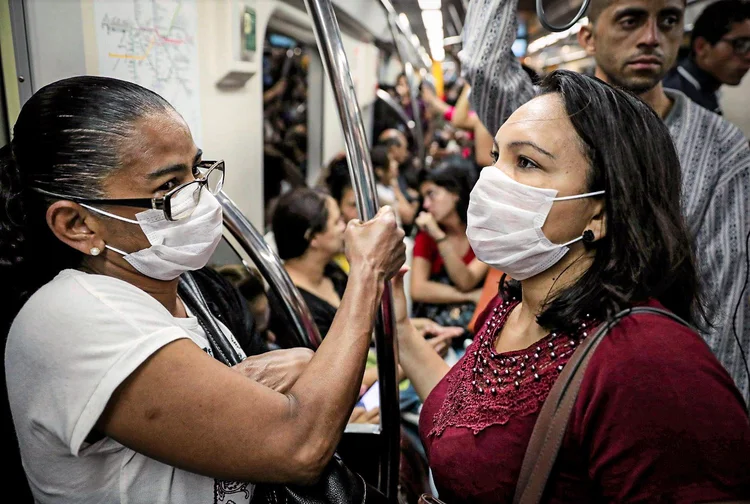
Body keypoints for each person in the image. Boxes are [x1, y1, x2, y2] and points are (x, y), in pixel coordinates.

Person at [1, 76, 406, 502]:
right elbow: (299, 448)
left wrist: (307, 362)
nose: (202, 199)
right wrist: (368, 273)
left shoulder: (185, 288)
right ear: (77, 224)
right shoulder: (73, 320)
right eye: (169, 187)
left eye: (197, 170)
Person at [395, 69, 750, 503]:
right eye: (495, 158)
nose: (490, 183)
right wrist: (400, 328)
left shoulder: (648, 364)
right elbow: (471, 419)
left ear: (599, 212)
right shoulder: (515, 304)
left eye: (526, 162)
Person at [462, 0, 750, 402]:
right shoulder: (550, 124)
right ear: (587, 37)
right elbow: (483, 65)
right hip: (535, 365)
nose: (651, 38)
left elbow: (726, 306)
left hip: (645, 387)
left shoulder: (723, 150)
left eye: (668, 20)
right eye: (630, 19)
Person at [411, 158, 488, 335]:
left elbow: (466, 280)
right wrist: (469, 297)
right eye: (424, 198)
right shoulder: (426, 235)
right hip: (436, 325)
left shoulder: (482, 232)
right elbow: (418, 289)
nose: (426, 205)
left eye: (432, 194)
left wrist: (440, 238)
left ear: (455, 193)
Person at [663, 0, 750, 114]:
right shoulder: (674, 100)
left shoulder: (701, 92)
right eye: (740, 45)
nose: (748, 56)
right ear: (701, 47)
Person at [372, 144, 417, 227]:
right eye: (391, 161)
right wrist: (396, 188)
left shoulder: (388, 185)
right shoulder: (380, 192)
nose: (396, 164)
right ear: (380, 171)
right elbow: (408, 216)